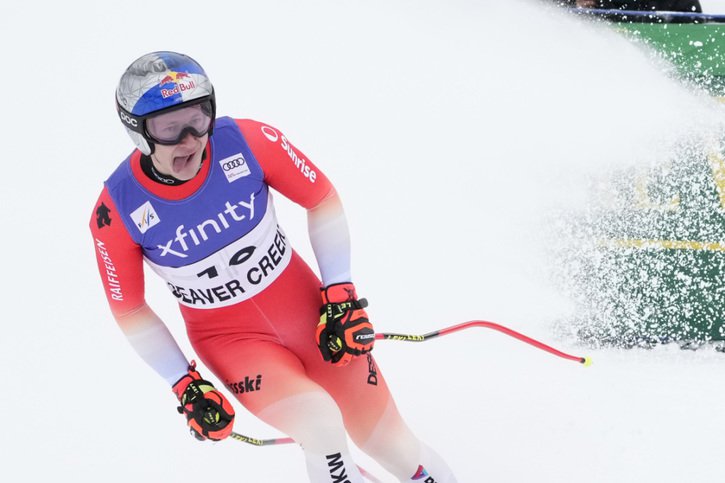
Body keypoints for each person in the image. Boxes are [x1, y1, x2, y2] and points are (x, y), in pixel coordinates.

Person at [90, 51, 457, 483]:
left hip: (311, 315)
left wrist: (339, 293)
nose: (190, 139)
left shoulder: (248, 140)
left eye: (198, 118)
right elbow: (128, 309)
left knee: (393, 444)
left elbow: (321, 199)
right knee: (321, 426)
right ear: (138, 134)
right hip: (234, 343)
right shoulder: (117, 209)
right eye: (170, 129)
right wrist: (183, 382)